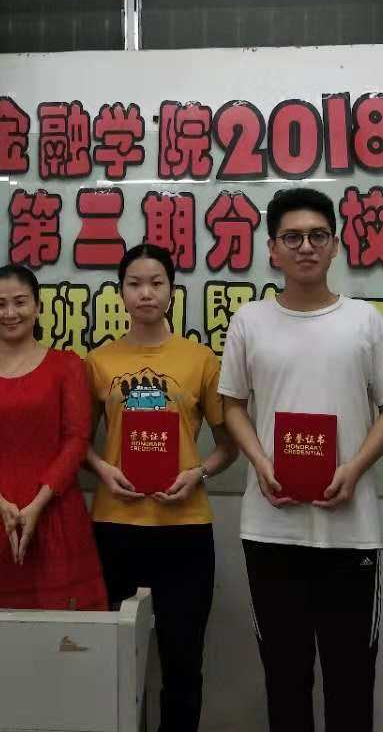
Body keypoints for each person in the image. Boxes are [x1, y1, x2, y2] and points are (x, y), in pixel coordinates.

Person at [219, 187, 383, 732]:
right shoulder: (250, 321)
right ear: (272, 249)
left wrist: (355, 468)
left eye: (317, 236)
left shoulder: (364, 321)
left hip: (351, 532)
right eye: (293, 237)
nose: (306, 247)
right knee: (286, 680)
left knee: (351, 682)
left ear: (335, 245)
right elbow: (232, 405)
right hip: (270, 528)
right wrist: (260, 461)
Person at [87, 244, 239, 732]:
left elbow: (229, 445)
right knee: (113, 662)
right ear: (120, 292)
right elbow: (77, 443)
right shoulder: (98, 361)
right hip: (116, 525)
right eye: (134, 283)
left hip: (184, 528)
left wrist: (200, 473)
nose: (146, 293)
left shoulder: (200, 360)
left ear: (172, 290)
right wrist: (101, 469)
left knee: (182, 662)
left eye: (156, 283)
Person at [0, 264, 107, 611]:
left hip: (55, 513)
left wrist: (38, 504)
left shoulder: (67, 365)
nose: (10, 313)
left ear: (38, 307)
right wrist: (1, 506)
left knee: (64, 633)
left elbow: (76, 440)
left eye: (20, 302)